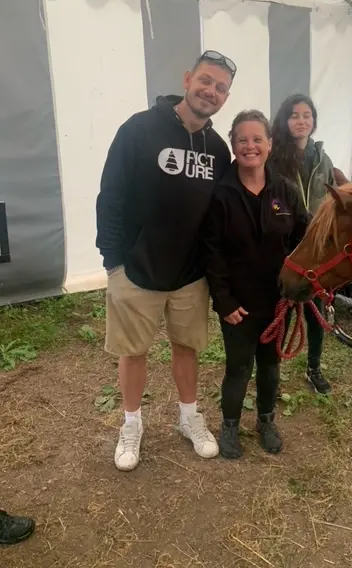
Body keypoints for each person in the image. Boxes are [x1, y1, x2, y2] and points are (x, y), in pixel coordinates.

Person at [96, 50, 234, 470]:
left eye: (221, 88)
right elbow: (111, 195)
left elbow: (218, 214)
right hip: (136, 270)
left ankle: (189, 418)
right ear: (188, 77)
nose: (210, 91)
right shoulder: (139, 129)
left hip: (190, 276)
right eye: (206, 81)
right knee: (133, 351)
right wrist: (113, 261)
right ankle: (132, 424)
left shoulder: (217, 148)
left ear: (225, 97)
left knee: (186, 347)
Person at [202, 110, 309, 459]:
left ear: (270, 144)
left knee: (270, 365)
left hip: (278, 303)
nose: (250, 146)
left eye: (257, 139)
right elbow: (212, 252)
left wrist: (296, 290)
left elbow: (303, 241)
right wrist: (224, 301)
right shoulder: (220, 194)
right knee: (238, 367)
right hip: (239, 305)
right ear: (233, 145)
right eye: (242, 140)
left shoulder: (286, 192)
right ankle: (230, 425)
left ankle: (266, 421)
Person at [269, 94, 337, 394]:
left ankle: (313, 368)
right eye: (294, 115)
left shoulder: (323, 158)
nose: (301, 120)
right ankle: (273, 368)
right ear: (285, 121)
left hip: (315, 248)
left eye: (306, 115)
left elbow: (334, 195)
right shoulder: (274, 157)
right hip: (284, 245)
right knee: (280, 308)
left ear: (314, 121)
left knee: (315, 306)